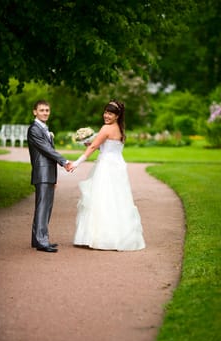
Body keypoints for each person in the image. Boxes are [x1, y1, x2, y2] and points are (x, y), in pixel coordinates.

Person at [72, 100, 146, 251]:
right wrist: (89, 143)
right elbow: (105, 148)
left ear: (117, 116)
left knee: (102, 199)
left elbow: (94, 146)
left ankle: (101, 237)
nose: (106, 115)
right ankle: (119, 236)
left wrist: (76, 163)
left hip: (106, 167)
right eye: (106, 112)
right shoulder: (119, 129)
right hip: (117, 167)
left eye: (110, 113)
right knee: (117, 200)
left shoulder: (106, 128)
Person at [27, 100, 74, 253]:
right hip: (42, 173)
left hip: (48, 173)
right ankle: (41, 241)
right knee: (42, 207)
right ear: (35, 112)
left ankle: (39, 238)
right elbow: (46, 149)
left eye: (47, 110)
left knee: (46, 207)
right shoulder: (34, 129)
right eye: (42, 110)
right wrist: (64, 161)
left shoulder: (44, 128)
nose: (45, 113)